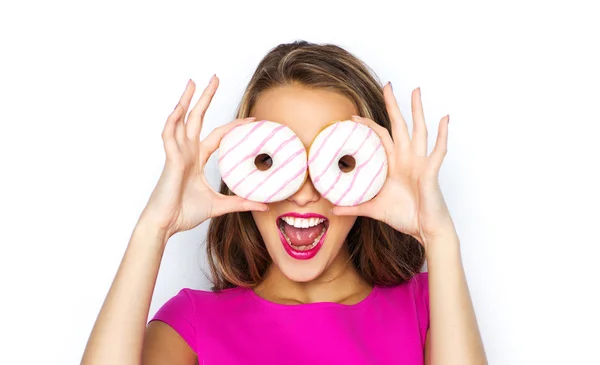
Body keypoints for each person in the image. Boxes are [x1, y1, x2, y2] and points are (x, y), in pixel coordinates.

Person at [81, 41, 487, 365]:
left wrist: (439, 236)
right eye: (271, 161)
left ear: (373, 171)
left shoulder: (426, 307)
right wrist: (154, 227)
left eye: (338, 162)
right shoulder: (193, 324)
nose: (304, 191)